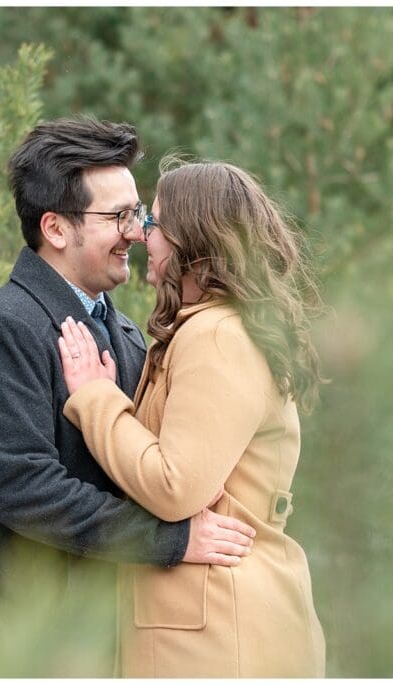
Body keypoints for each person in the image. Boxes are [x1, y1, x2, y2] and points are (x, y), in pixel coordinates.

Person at [0, 119, 257, 678]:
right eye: (119, 217)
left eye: (139, 214)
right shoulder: (4, 330)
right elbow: (24, 490)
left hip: (108, 642)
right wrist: (171, 539)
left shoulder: (128, 332)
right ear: (57, 229)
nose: (138, 233)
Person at [57, 159, 327, 677]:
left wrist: (95, 398)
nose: (140, 235)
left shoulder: (217, 336)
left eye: (154, 224)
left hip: (219, 633)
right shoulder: (215, 328)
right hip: (214, 621)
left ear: (194, 239)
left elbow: (176, 485)